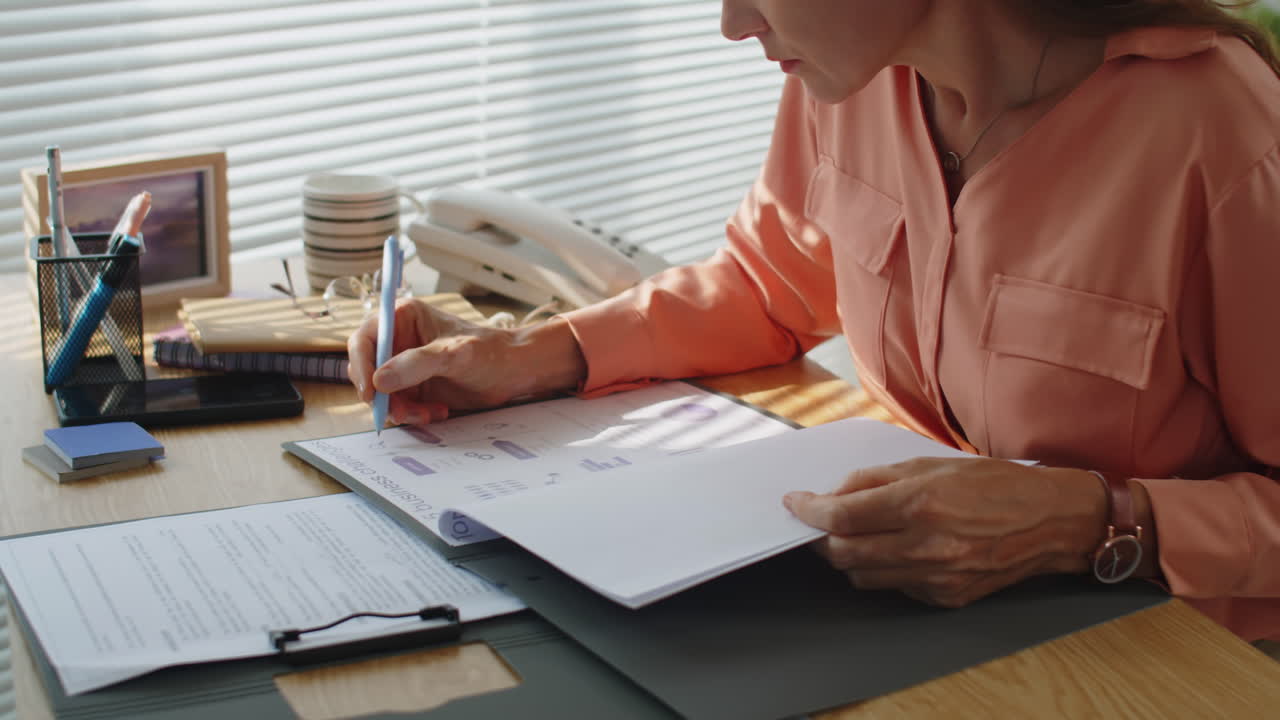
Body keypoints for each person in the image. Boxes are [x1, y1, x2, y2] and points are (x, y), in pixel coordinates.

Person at [350, 0, 1280, 645]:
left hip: (1166, 659)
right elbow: (767, 287)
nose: (732, 24)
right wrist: (537, 354)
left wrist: (1100, 521)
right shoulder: (854, 79)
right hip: (911, 617)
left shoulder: (1224, 136)